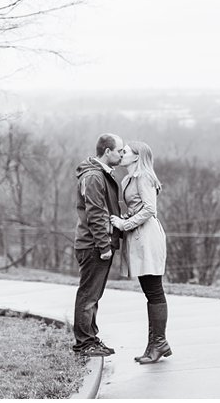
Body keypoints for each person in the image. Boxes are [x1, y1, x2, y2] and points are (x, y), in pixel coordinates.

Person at [110, 141, 171, 364]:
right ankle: (154, 343)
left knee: (154, 290)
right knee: (149, 291)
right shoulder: (127, 179)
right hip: (138, 237)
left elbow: (149, 209)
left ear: (136, 157)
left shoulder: (144, 177)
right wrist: (125, 219)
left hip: (148, 237)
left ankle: (159, 342)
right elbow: (136, 208)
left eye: (125, 152)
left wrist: (124, 224)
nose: (121, 154)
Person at [73, 133, 125, 357]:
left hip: (97, 242)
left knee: (93, 295)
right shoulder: (94, 176)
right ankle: (84, 344)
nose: (122, 154)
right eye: (119, 151)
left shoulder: (98, 174)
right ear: (107, 151)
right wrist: (104, 246)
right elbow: (95, 213)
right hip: (94, 244)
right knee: (88, 295)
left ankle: (91, 338)